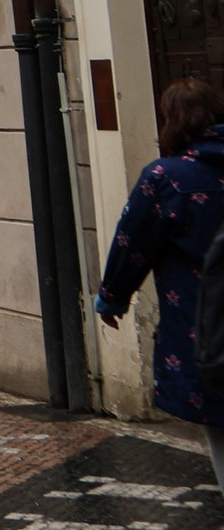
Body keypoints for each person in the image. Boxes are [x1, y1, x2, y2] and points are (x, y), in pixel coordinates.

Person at [96, 79, 224, 485]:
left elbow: (131, 244)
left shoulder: (166, 179)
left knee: (220, 427)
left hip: (203, 327)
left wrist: (111, 299)